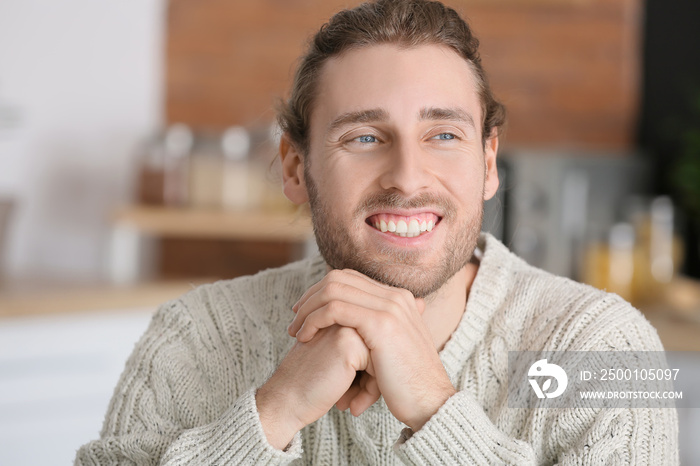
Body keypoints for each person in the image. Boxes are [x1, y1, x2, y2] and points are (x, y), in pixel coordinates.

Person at [76, 0, 678, 464]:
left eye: (443, 135)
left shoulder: (610, 346)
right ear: (294, 167)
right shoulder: (194, 336)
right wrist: (273, 413)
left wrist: (435, 409)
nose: (407, 178)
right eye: (364, 138)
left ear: (489, 163)